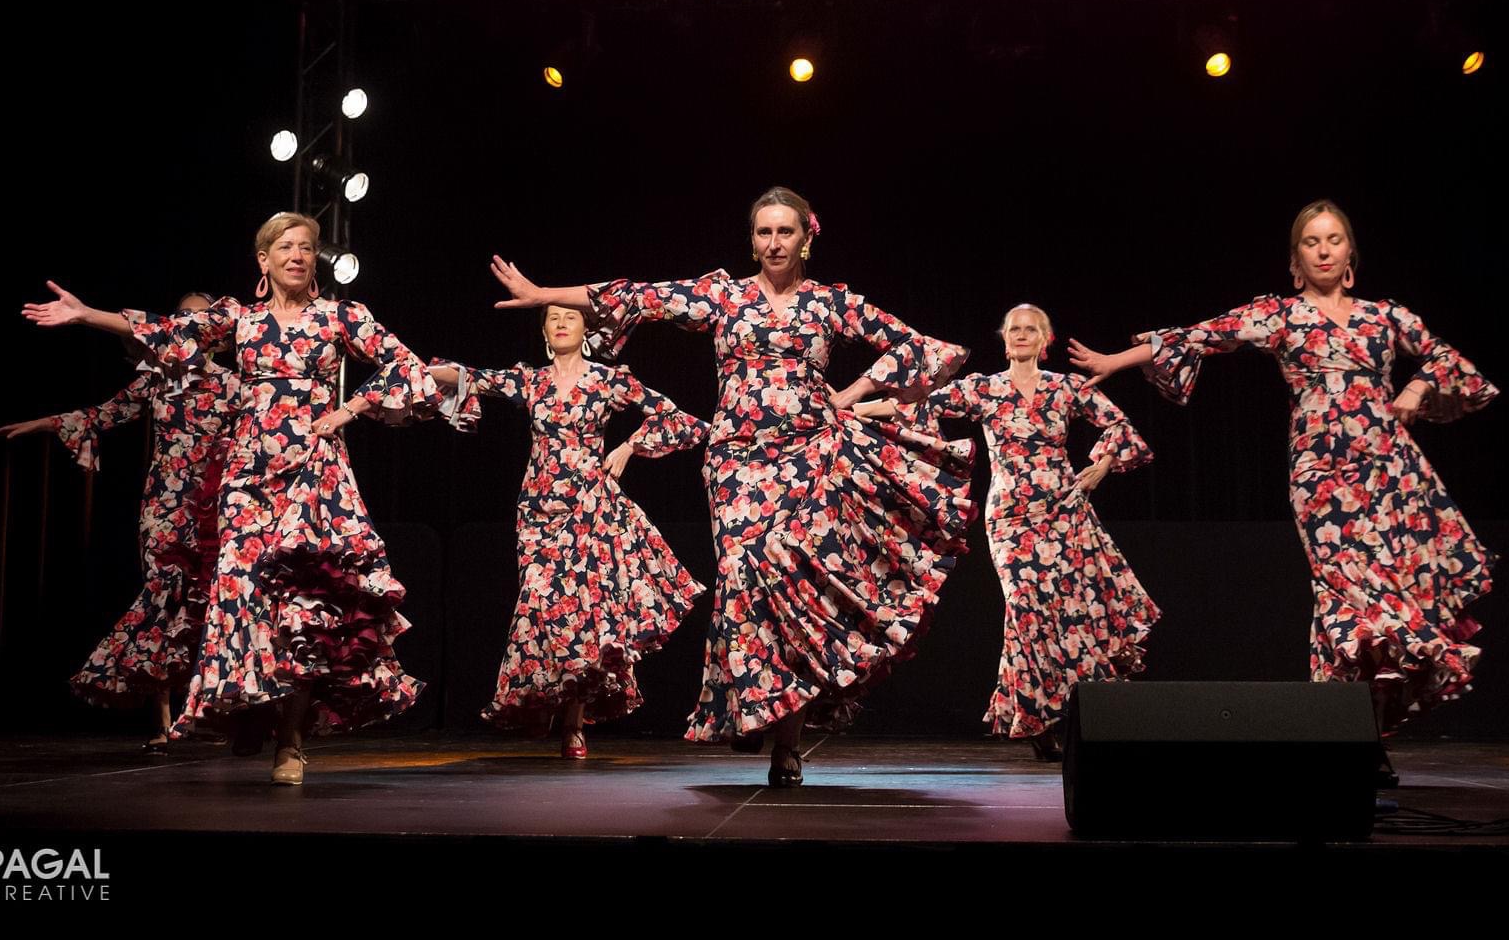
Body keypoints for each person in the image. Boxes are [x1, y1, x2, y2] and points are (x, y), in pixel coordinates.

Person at [489, 186, 976, 787]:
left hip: (811, 454)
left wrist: (851, 394)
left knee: (792, 586)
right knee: (743, 578)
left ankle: (786, 742)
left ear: (806, 238)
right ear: (752, 240)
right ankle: (755, 703)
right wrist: (544, 294)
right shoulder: (725, 294)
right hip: (736, 460)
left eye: (785, 232)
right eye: (764, 232)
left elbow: (916, 347)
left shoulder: (830, 302)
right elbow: (639, 296)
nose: (774, 243)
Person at [1068, 200, 1497, 777]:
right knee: (1346, 591)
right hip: (1320, 473)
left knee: (1390, 596)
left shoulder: (1385, 317)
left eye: (1334, 239)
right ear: (1296, 262)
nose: (1324, 250)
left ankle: (1362, 735)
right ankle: (1347, 733)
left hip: (1389, 470)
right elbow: (1202, 336)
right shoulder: (1282, 316)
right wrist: (1116, 360)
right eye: (1311, 242)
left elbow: (1444, 356)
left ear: (1350, 256)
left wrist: (1416, 391)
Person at [24, 213, 442, 784]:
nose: (297, 255)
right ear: (263, 260)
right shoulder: (239, 318)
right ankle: (250, 707)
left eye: (306, 247)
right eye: (285, 247)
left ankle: (290, 740)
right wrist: (86, 314)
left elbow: (405, 364)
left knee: (303, 601)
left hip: (313, 472)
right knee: (242, 595)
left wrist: (348, 409)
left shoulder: (341, 316)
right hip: (247, 474)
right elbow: (167, 330)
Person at [858, 303, 1157, 760]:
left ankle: (1073, 712)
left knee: (1072, 609)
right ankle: (1039, 717)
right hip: (1011, 517)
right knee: (1026, 610)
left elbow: (1118, 423)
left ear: (1044, 340)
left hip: (1063, 510)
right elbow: (919, 405)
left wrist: (1102, 464)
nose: (1020, 334)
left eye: (1030, 329)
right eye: (1014, 329)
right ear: (1004, 339)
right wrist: (855, 407)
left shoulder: (1065, 387)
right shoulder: (986, 389)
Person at [429, 305, 709, 759]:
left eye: (570, 317)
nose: (561, 323)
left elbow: (674, 417)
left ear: (585, 330)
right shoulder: (531, 380)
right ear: (544, 332)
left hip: (588, 504)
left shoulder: (607, 380)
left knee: (582, 616)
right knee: (538, 606)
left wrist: (629, 447)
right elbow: (474, 378)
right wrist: (415, 369)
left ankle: (574, 723)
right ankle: (540, 699)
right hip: (538, 507)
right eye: (553, 318)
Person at [0, 292, 236, 752]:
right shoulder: (156, 381)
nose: (187, 323)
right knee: (162, 595)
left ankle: (206, 712)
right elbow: (104, 414)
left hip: (216, 505)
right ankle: (164, 720)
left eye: (198, 317)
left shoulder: (233, 385)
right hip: (165, 503)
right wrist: (44, 424)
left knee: (210, 602)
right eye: (180, 315)